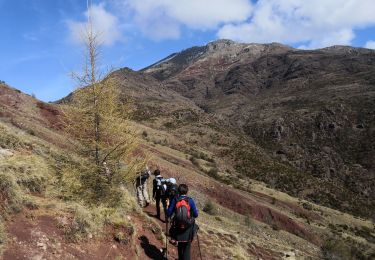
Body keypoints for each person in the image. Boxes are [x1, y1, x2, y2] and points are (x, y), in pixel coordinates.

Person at [167, 184, 198, 260]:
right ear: (187, 191)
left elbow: (168, 213)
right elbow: (196, 215)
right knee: (187, 248)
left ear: (178, 191)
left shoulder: (175, 199)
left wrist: (168, 206)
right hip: (188, 228)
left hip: (177, 227)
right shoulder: (190, 200)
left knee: (180, 246)